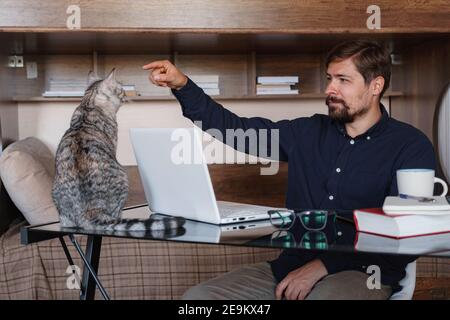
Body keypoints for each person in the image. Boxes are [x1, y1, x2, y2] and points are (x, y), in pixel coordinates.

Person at [142, 40, 435, 300]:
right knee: (199, 297)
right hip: (289, 266)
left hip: (365, 272)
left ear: (376, 86)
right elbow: (235, 130)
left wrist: (322, 267)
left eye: (343, 80)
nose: (330, 89)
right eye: (330, 78)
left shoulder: (411, 146)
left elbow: (406, 233)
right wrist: (183, 86)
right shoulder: (306, 132)